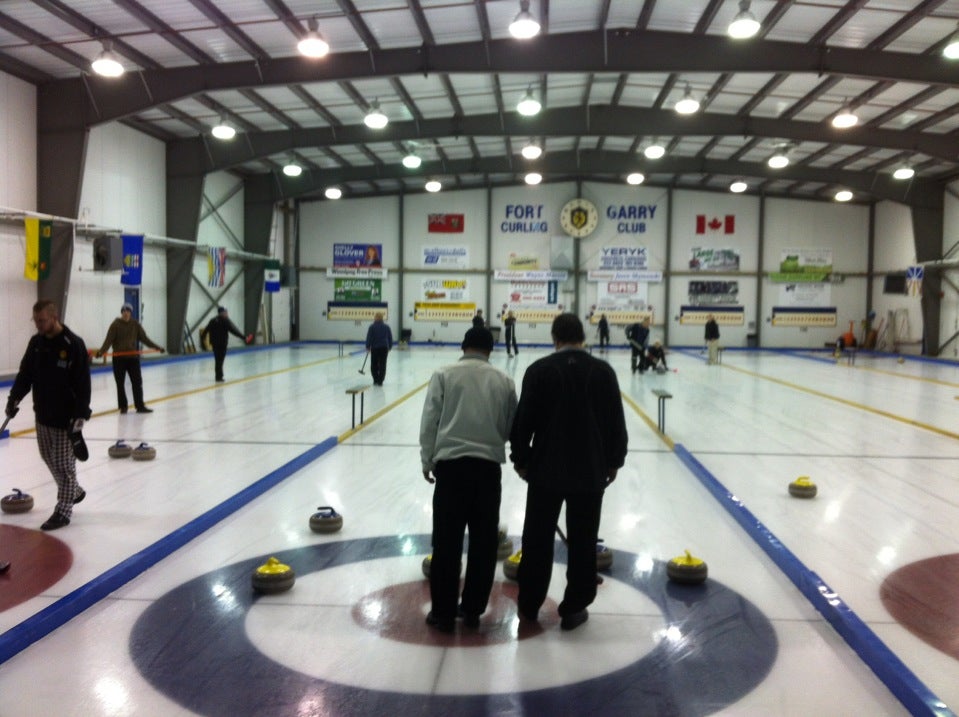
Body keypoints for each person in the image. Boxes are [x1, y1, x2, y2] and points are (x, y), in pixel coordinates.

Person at [509, 314, 628, 631]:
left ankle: (529, 608)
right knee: (583, 540)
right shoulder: (603, 372)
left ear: (555, 338)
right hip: (589, 471)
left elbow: (523, 423)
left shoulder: (540, 370)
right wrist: (614, 461)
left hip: (545, 471)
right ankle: (575, 607)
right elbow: (615, 422)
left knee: (536, 541)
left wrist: (521, 459)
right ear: (582, 337)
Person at [419, 327, 518, 632]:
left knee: (446, 543)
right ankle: (473, 610)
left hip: (450, 468)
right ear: (491, 350)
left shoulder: (444, 374)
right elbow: (509, 426)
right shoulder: (503, 381)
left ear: (463, 347)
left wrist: (427, 459)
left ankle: (443, 614)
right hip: (487, 471)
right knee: (483, 544)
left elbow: (430, 420)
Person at [5, 300, 92, 531]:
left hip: (67, 418)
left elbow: (83, 383)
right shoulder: (36, 343)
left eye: (42, 321)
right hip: (42, 414)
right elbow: (25, 374)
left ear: (54, 317)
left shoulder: (73, 344)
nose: (38, 325)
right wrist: (13, 399)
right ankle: (74, 491)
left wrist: (81, 414)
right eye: (36, 321)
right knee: (47, 456)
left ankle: (63, 510)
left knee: (64, 465)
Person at [96, 303, 164, 413]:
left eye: (128, 311)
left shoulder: (135, 324)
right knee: (120, 383)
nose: (126, 313)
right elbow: (108, 341)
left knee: (137, 382)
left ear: (131, 313)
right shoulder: (115, 325)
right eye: (124, 311)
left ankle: (140, 406)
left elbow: (145, 339)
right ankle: (123, 407)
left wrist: (157, 347)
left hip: (132, 358)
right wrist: (101, 352)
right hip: (119, 359)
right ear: (121, 312)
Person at [200, 306, 250, 382]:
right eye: (225, 312)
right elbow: (234, 331)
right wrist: (244, 337)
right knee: (220, 360)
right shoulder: (225, 321)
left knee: (217, 360)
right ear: (222, 313)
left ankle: (218, 376)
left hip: (214, 344)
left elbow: (205, 331)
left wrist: (203, 343)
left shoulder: (212, 320)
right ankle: (219, 377)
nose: (226, 314)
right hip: (222, 344)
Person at [365, 312, 393, 386]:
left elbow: (369, 337)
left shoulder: (372, 327)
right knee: (382, 364)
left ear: (376, 318)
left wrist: (367, 346)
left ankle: (375, 379)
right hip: (384, 348)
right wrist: (390, 346)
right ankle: (381, 380)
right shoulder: (387, 327)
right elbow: (390, 337)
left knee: (374, 364)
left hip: (375, 348)